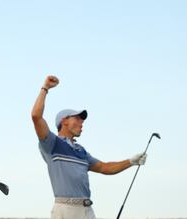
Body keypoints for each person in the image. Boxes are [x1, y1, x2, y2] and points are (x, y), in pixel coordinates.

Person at [31, 75, 147, 219]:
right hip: (65, 210)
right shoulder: (52, 143)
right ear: (64, 121)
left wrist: (131, 161)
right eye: (77, 118)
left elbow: (105, 167)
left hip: (87, 210)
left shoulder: (81, 151)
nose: (81, 122)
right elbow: (36, 116)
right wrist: (45, 88)